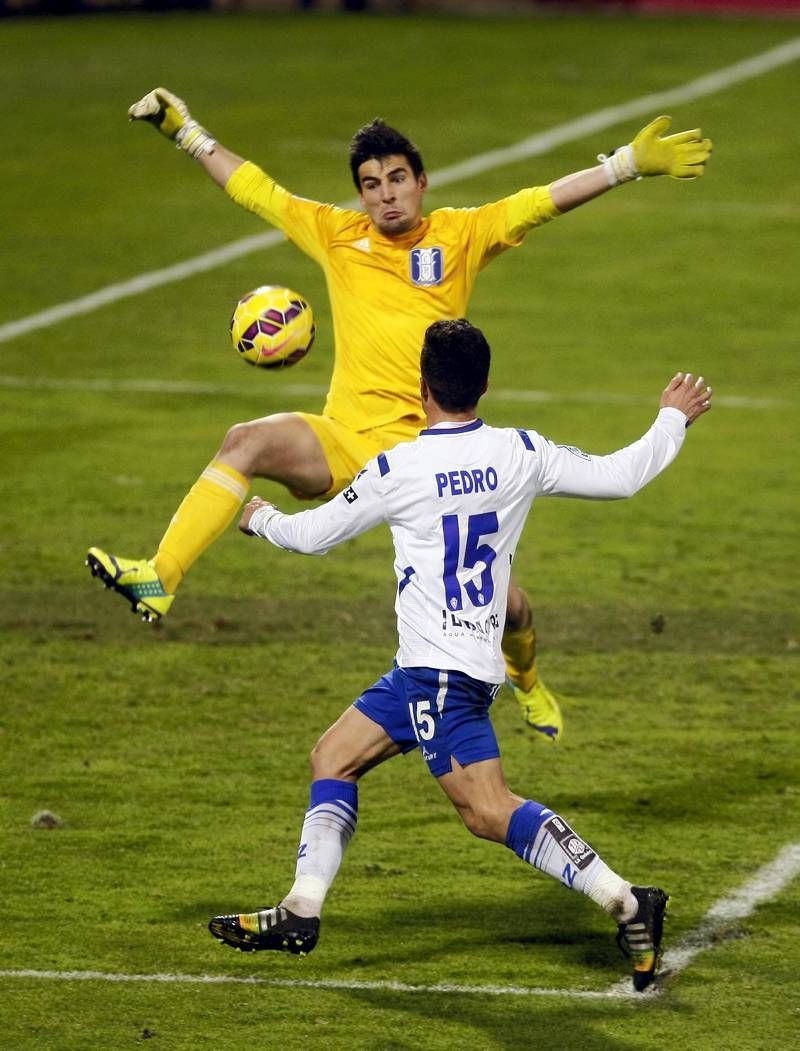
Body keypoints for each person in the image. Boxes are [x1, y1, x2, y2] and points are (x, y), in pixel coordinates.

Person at [86, 88, 712, 741]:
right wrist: (184, 131)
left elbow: (541, 200)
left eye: (395, 180)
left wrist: (624, 166)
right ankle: (161, 576)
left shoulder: (460, 234)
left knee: (512, 608)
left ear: (421, 182)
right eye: (369, 184)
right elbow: (256, 190)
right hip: (346, 442)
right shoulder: (338, 235)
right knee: (243, 440)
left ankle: (527, 682)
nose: (384, 195)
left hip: (431, 462)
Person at [207, 318, 712, 992]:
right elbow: (620, 477)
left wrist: (256, 516)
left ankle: (626, 899)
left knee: (487, 810)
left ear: (422, 387)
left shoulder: (397, 466)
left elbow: (309, 537)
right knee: (334, 755)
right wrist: (671, 419)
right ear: (484, 384)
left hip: (439, 675)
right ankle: (301, 908)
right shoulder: (519, 451)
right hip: (439, 667)